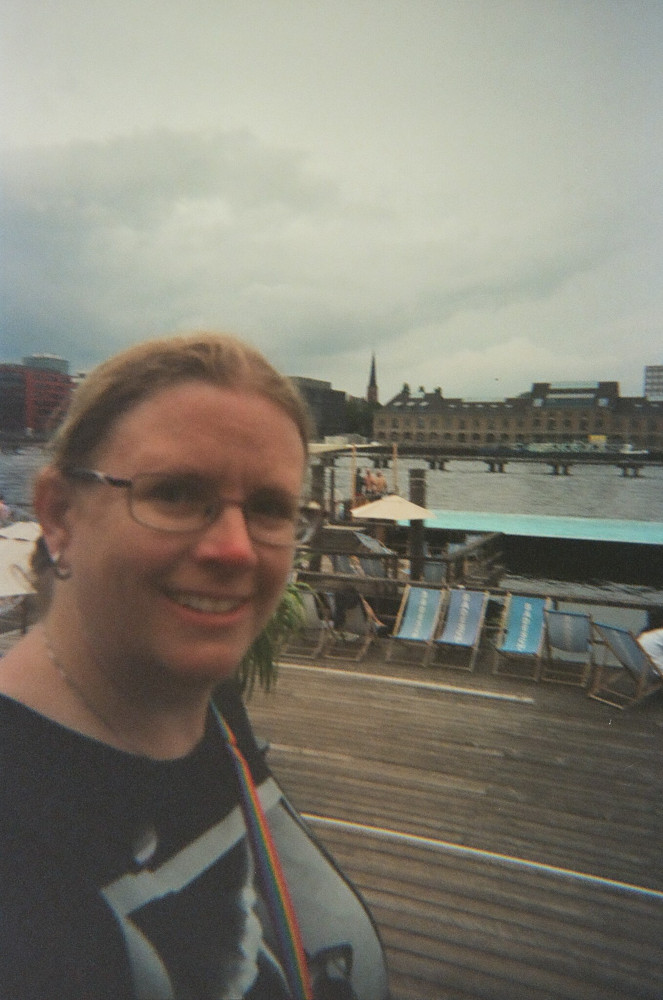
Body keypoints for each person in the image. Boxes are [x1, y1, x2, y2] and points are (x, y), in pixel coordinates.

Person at [0, 333, 389, 1000]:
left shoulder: (209, 707)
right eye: (175, 493)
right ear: (59, 514)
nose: (235, 549)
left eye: (269, 508)